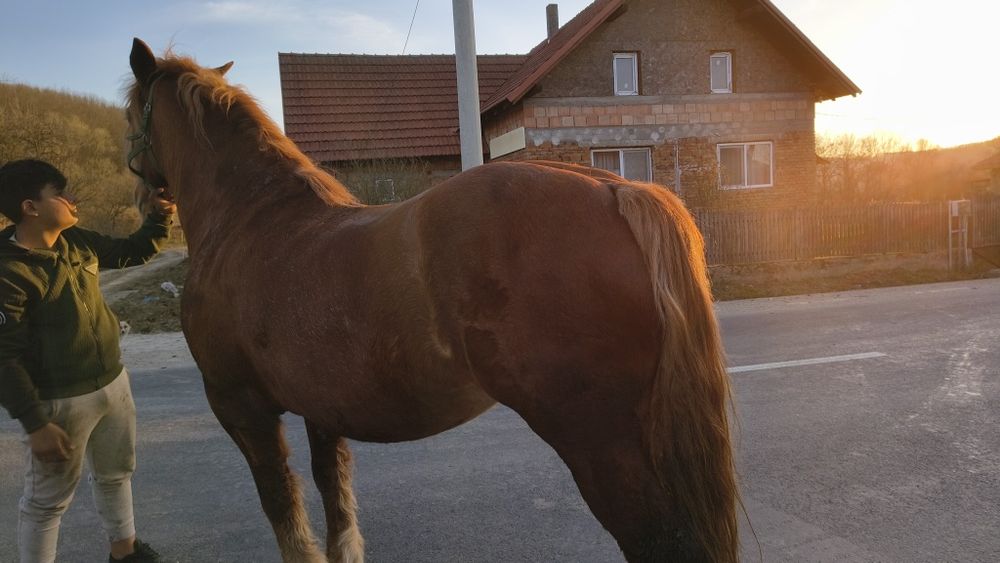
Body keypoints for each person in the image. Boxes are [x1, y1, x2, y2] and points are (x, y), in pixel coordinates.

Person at [0, 159, 176, 563]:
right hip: (58, 402)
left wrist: (160, 215)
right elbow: (3, 358)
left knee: (116, 475)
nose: (72, 198)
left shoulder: (75, 240)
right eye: (60, 193)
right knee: (47, 503)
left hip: (112, 382)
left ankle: (124, 553)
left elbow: (132, 252)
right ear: (30, 207)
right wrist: (35, 423)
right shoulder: (8, 272)